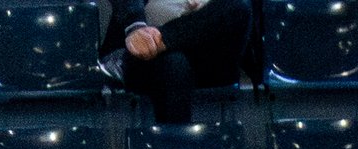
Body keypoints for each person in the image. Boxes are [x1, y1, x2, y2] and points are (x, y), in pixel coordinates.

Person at [102, 0, 249, 124]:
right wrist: (135, 25)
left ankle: (159, 39)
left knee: (239, 6)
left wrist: (163, 37)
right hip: (149, 56)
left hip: (209, 53)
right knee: (174, 64)